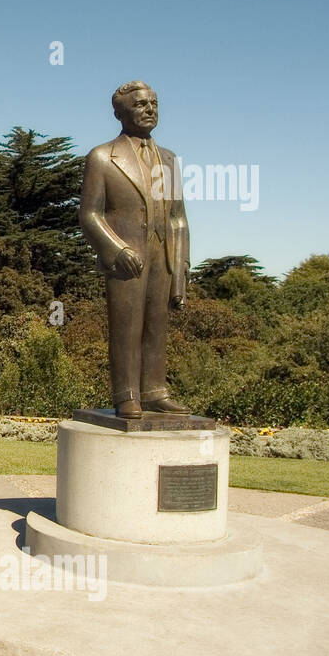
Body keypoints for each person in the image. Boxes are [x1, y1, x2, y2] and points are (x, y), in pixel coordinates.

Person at [79, 81, 190, 419]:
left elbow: (178, 219)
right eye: (141, 104)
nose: (150, 109)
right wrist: (116, 249)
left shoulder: (168, 160)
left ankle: (154, 390)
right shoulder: (102, 157)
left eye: (154, 103)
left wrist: (180, 270)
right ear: (120, 112)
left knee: (157, 326)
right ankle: (126, 394)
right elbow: (89, 214)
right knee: (126, 328)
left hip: (163, 257)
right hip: (126, 258)